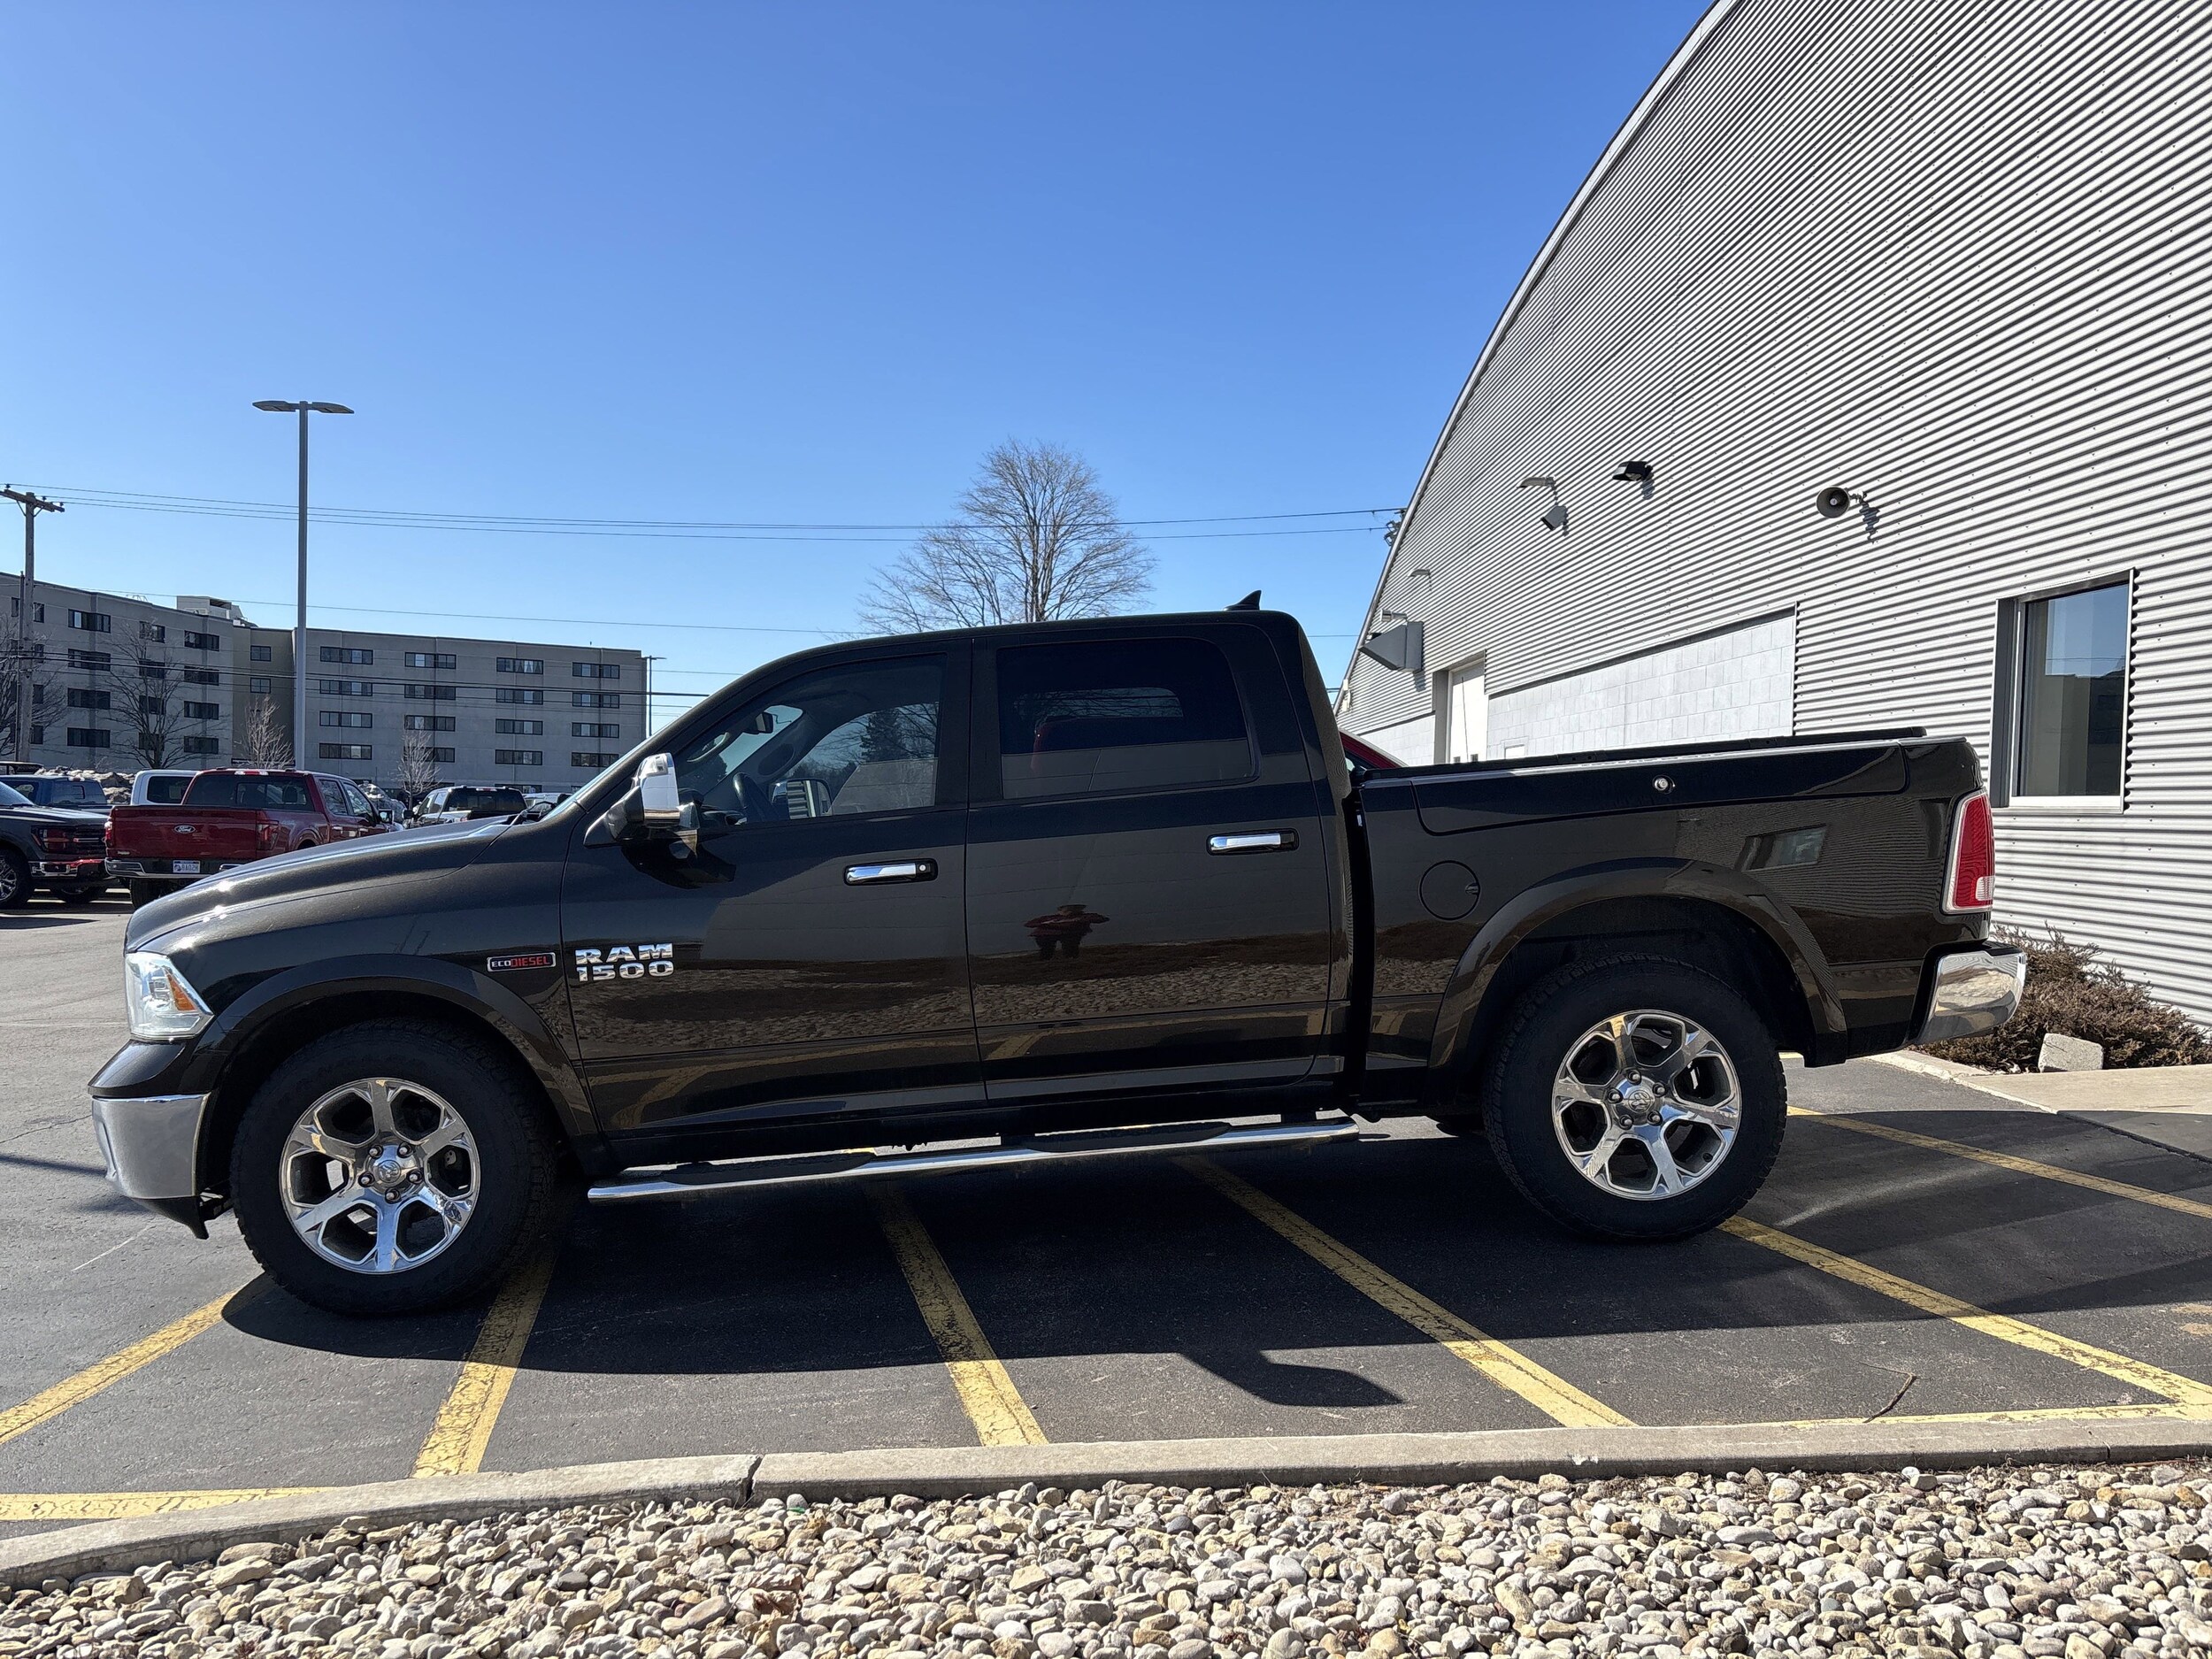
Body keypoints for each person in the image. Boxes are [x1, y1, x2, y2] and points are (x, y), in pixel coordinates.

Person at [1025, 902, 1108, 958]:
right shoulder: (1049, 917)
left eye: (1072, 909)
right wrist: (1046, 923)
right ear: (1060, 911)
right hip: (1046, 934)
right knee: (1046, 949)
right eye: (1065, 910)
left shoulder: (1085, 916)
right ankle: (1045, 961)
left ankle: (1070, 960)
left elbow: (1102, 919)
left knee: (1070, 947)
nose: (1069, 912)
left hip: (1070, 933)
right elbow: (1029, 924)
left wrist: (1078, 920)